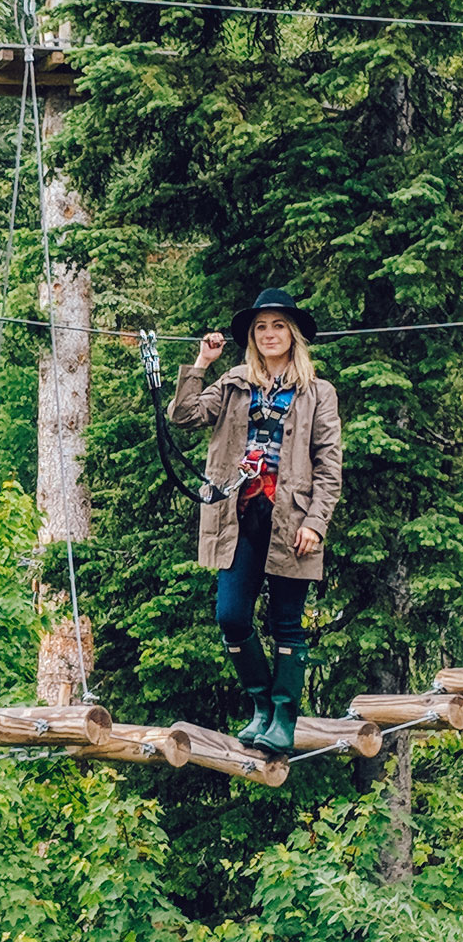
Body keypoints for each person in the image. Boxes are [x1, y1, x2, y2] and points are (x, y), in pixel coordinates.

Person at [168, 289, 342, 753]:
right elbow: (182, 415)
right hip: (237, 513)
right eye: (261, 327)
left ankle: (284, 719)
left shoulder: (318, 392)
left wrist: (316, 523)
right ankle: (262, 706)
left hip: (292, 519)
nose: (269, 334)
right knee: (231, 616)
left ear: (293, 334)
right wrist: (202, 363)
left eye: (278, 326)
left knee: (287, 620)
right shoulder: (233, 383)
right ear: (251, 336)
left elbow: (329, 466)